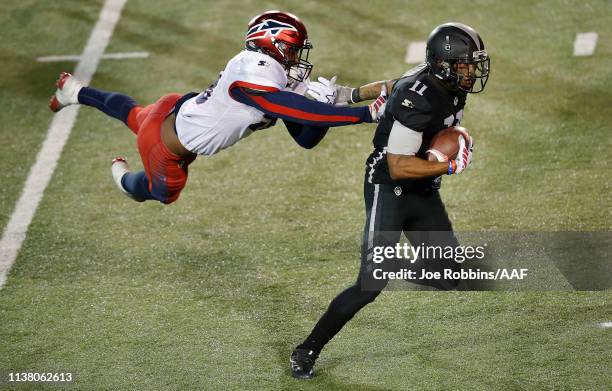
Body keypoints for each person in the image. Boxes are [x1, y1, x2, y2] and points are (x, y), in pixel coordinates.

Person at [290, 22, 490, 379]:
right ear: (444, 65)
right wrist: (447, 165)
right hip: (390, 184)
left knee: (448, 276)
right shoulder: (420, 96)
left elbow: (392, 83)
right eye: (464, 65)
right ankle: (307, 349)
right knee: (369, 283)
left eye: (473, 64)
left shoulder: (441, 81)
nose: (471, 71)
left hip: (421, 186)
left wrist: (351, 94)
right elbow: (397, 167)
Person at [49, 10, 386, 204]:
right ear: (270, 42)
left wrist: (350, 97)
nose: (296, 57)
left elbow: (306, 137)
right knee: (161, 193)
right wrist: (365, 114)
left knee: (134, 113)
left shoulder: (271, 71)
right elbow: (300, 112)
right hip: (165, 145)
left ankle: (74, 91)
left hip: (176, 111)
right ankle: (124, 181)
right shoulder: (254, 68)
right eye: (291, 48)